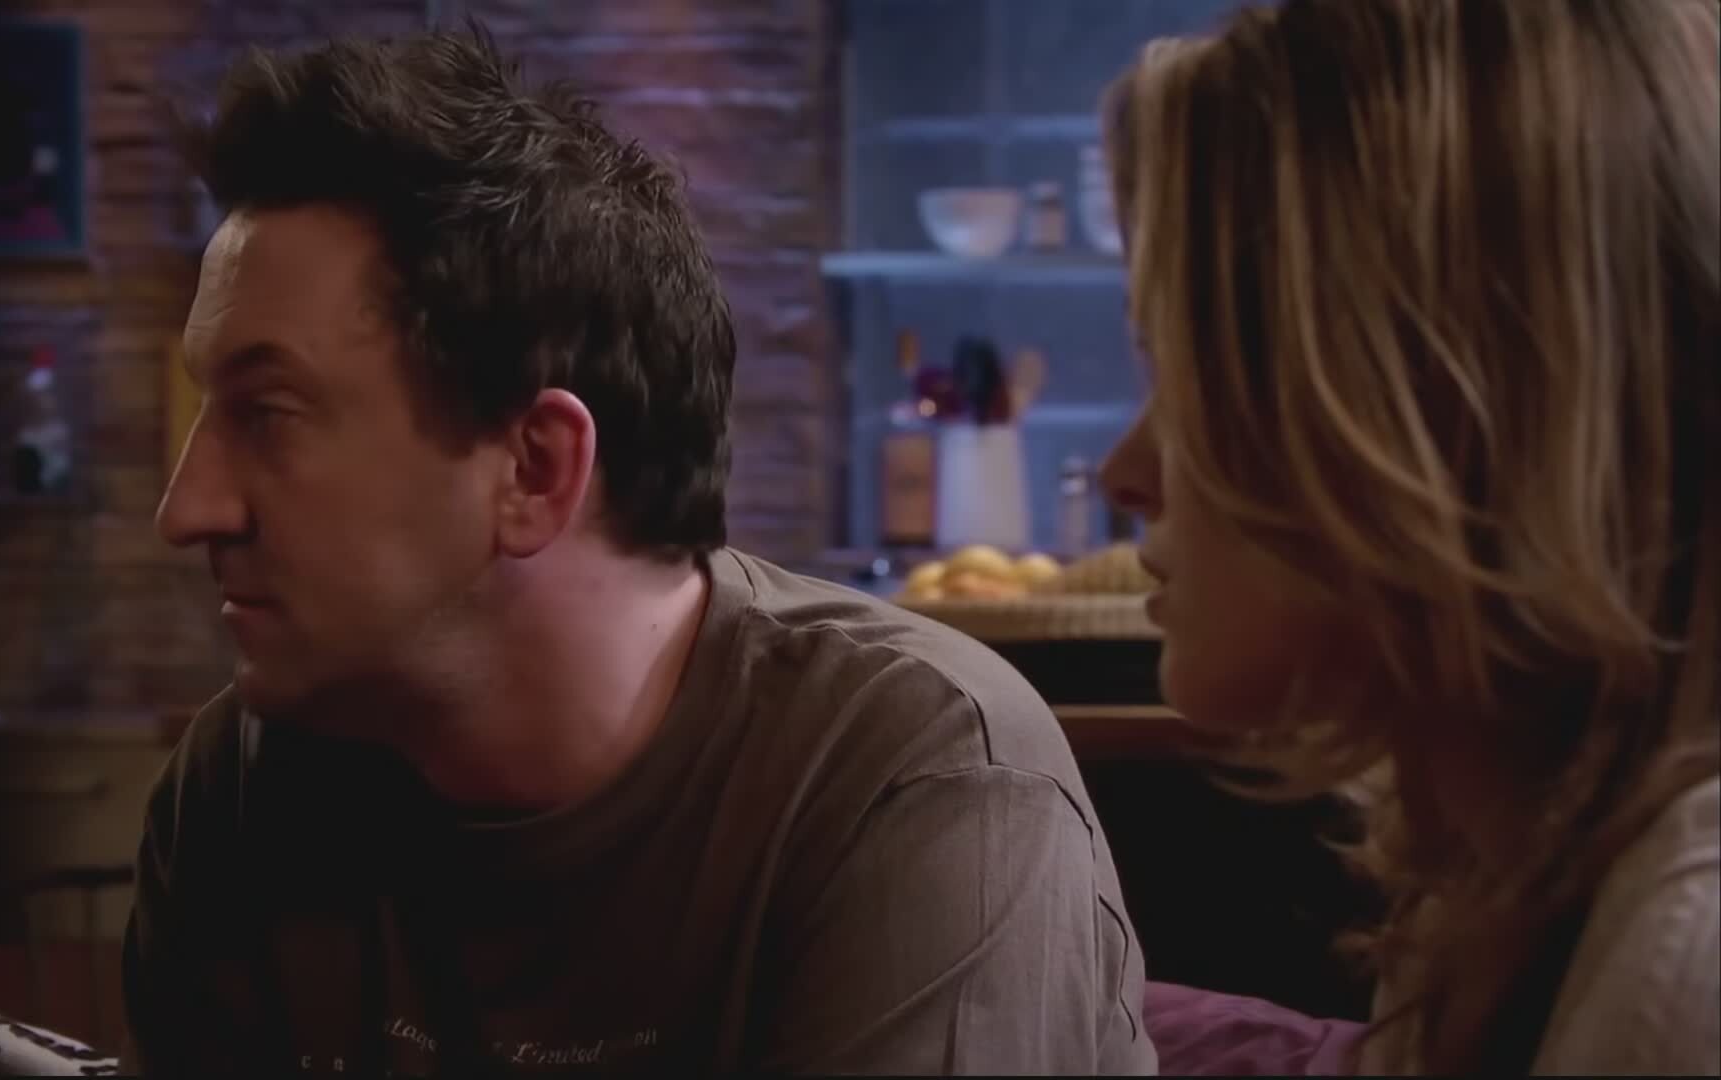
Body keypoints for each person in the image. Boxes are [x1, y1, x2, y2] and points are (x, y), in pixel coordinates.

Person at [123, 24, 1153, 1078]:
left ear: (534, 469)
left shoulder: (912, 778)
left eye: (269, 414)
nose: (186, 509)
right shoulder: (244, 787)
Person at [1095, 0, 1720, 1073]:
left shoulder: (1684, 978)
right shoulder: (1487, 885)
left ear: (1433, 409)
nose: (1126, 473)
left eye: (1185, 374)